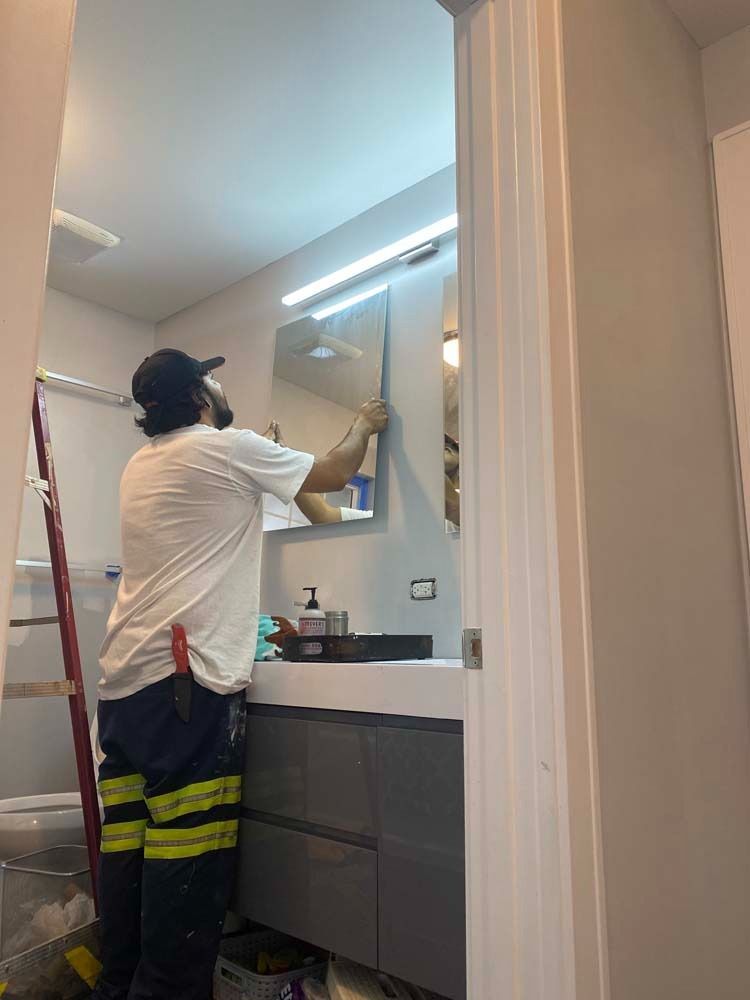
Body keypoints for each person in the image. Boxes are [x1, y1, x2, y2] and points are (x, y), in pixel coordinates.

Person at [92, 348, 387, 1000]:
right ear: (201, 394)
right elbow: (338, 472)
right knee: (185, 859)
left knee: (130, 851)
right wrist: (364, 424)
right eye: (214, 378)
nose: (223, 386)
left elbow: (276, 512)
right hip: (182, 686)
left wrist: (269, 459)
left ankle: (118, 989)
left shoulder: (144, 462)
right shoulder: (226, 448)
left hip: (124, 683)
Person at [264, 420, 373, 524]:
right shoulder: (372, 518)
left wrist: (364, 423)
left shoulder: (377, 521)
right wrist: (286, 459)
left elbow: (337, 476)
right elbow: (324, 516)